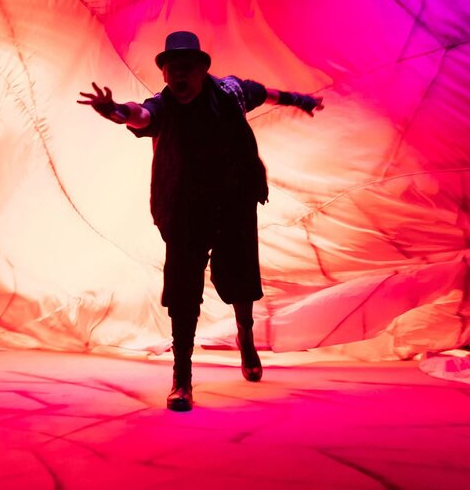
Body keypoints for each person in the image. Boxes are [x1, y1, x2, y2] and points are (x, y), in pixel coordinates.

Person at [78, 30, 323, 411]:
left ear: (202, 70)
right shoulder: (163, 105)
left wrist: (298, 100)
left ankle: (245, 336)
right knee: (183, 292)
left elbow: (265, 92)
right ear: (164, 74)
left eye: (187, 68)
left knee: (241, 280)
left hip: (234, 202)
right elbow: (140, 116)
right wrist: (114, 111)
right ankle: (182, 378)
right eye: (172, 69)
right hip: (185, 210)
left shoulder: (231, 93)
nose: (180, 75)